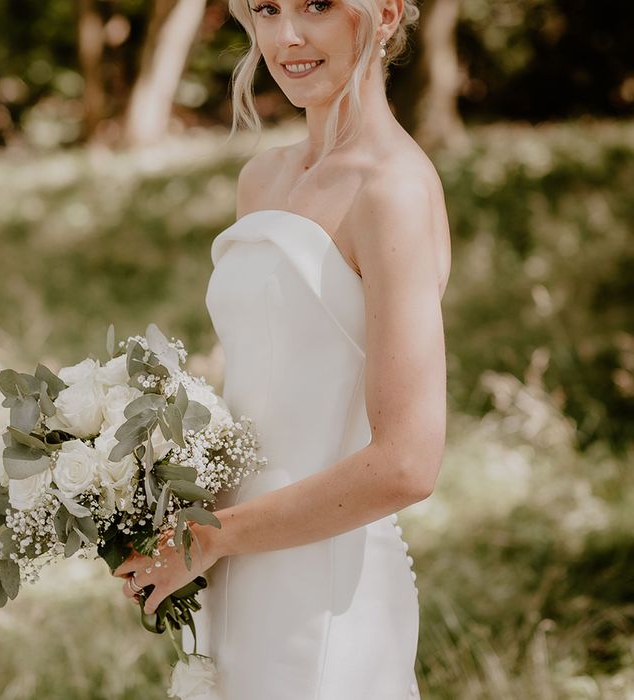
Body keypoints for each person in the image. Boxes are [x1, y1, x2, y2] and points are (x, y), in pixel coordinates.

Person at [114, 0, 451, 697]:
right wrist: (137, 487)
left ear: (384, 14)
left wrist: (212, 538)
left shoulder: (393, 191)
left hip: (323, 593)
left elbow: (408, 463)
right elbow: (262, 380)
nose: (286, 36)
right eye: (267, 8)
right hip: (229, 571)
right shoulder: (261, 180)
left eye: (317, 6)